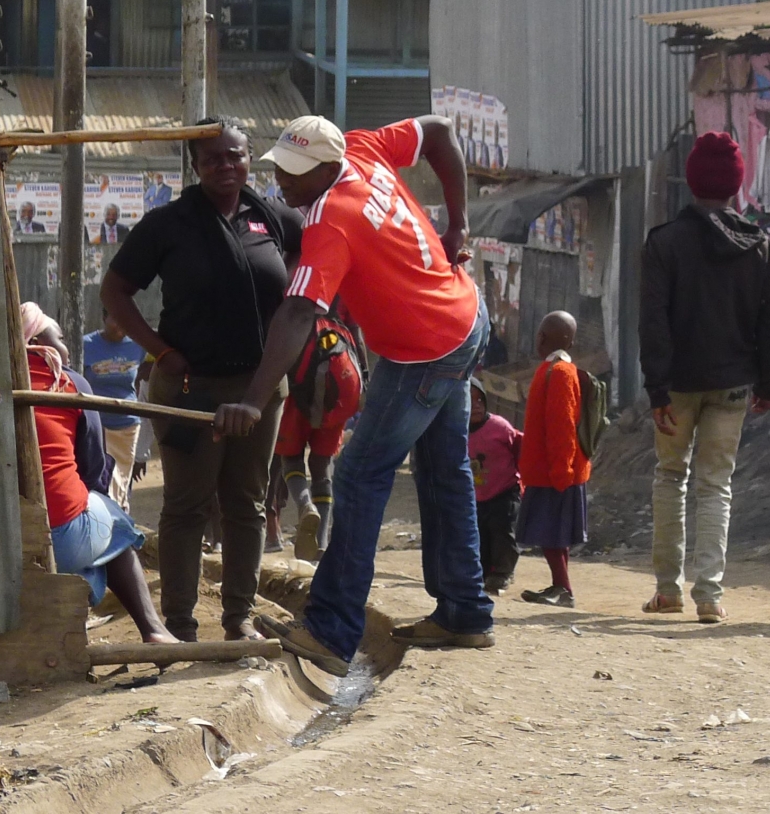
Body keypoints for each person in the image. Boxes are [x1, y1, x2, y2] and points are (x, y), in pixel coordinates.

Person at [211, 114, 493, 674]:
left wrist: (254, 396)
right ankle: (465, 611)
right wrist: (457, 224)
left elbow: (297, 311)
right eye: (279, 170)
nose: (282, 183)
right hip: (464, 315)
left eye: (294, 173)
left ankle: (331, 629)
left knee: (362, 474)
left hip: (424, 349)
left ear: (326, 165)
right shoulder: (363, 148)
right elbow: (437, 130)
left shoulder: (331, 221)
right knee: (445, 469)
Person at [100, 117, 303, 643]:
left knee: (247, 504)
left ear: (248, 156)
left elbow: (305, 287)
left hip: (259, 390)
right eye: (213, 158)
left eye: (235, 155)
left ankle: (238, 619)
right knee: (187, 506)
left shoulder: (276, 218)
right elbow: (116, 291)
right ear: (196, 165)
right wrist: (160, 350)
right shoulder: (168, 224)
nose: (226, 166)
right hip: (190, 390)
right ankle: (179, 625)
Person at [638, 131, 770, 624]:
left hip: (677, 385)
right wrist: (766, 381)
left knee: (670, 477)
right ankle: (710, 596)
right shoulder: (758, 245)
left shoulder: (663, 243)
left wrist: (657, 388)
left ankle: (667, 590)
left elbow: (653, 323)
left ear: (692, 182)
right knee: (716, 484)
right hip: (734, 385)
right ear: (736, 186)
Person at [22, 303, 174, 644]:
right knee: (116, 523)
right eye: (59, 337)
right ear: (38, 340)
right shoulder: (68, 382)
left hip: (1, 540)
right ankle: (153, 629)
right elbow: (92, 469)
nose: (66, 346)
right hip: (59, 531)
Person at [272, 309, 364, 562]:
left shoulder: (293, 280)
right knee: (323, 465)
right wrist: (364, 378)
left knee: (290, 458)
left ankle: (304, 505)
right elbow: (355, 331)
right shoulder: (344, 284)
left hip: (297, 379)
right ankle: (320, 544)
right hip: (340, 380)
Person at [516, 312, 590, 608]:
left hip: (555, 472)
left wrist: (562, 471)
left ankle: (563, 588)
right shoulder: (554, 370)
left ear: (544, 338)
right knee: (553, 535)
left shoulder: (558, 373)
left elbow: (562, 427)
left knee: (551, 535)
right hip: (548, 470)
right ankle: (560, 586)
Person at [82, 311, 148, 507]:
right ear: (104, 318)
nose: (120, 325)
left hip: (127, 427)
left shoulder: (137, 345)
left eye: (124, 320)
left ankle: (119, 524)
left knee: (121, 481)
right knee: (100, 480)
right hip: (96, 426)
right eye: (115, 319)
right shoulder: (87, 345)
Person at [469, 381, 523, 594]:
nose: (476, 406)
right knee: (479, 534)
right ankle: (484, 572)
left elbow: (519, 448)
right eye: (470, 401)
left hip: (504, 490)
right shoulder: (457, 432)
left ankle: (503, 573)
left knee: (503, 532)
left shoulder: (499, 427)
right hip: (476, 495)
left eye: (480, 400)